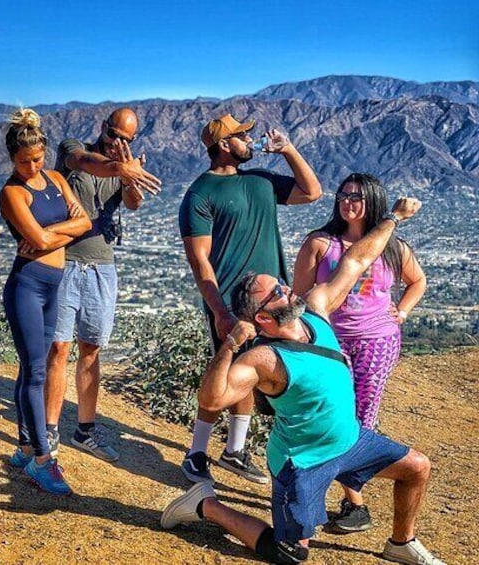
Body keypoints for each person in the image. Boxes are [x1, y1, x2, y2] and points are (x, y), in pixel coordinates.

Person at [161, 197, 446, 565]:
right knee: (290, 554)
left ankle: (401, 542)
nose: (286, 290)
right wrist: (230, 344)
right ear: (262, 319)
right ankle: (207, 505)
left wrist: (392, 217)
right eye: (276, 294)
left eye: (280, 285)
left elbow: (356, 260)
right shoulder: (264, 359)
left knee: (417, 467)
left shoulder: (317, 308)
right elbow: (214, 400)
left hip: (349, 440)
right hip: (304, 462)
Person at [178, 113, 321, 484]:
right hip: (232, 304)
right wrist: (220, 311)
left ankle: (234, 452)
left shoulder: (262, 181)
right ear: (224, 145)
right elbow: (200, 261)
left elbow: (312, 192)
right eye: (242, 135)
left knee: (255, 374)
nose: (250, 140)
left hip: (273, 302)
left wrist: (287, 149)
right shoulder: (200, 194)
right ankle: (196, 453)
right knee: (225, 375)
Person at [293, 173, 427, 533]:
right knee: (332, 415)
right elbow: (301, 295)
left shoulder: (393, 246)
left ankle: (353, 502)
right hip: (331, 341)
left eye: (357, 196)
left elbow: (418, 280)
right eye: (343, 195)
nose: (348, 202)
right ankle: (348, 500)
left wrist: (402, 311)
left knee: (362, 418)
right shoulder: (321, 243)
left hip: (377, 341)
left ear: (373, 201)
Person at [45, 107, 161, 463]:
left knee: (91, 349)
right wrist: (121, 168)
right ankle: (48, 430)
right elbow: (81, 161)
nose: (117, 144)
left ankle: (85, 429)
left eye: (125, 140)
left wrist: (129, 179)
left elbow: (133, 203)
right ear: (103, 128)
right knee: (59, 348)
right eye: (114, 135)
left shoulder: (122, 166)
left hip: (102, 265)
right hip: (65, 261)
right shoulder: (74, 148)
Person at [0, 109, 91, 495]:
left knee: (32, 370)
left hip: (55, 282)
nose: (32, 166)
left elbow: (85, 222)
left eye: (37, 158)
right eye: (24, 161)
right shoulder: (11, 192)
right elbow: (34, 243)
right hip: (27, 285)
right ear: (12, 159)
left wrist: (50, 230)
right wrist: (55, 233)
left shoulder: (54, 178)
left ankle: (24, 446)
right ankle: (41, 459)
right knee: (36, 371)